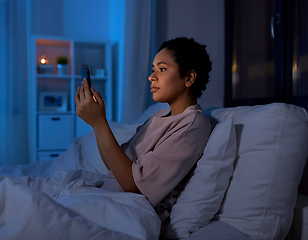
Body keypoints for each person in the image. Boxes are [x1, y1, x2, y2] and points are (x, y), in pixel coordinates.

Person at [74, 37, 212, 234]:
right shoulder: (158, 115)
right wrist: (97, 124)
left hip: (128, 210)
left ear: (189, 78)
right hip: (108, 197)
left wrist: (100, 123)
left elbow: (133, 185)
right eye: (153, 68)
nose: (151, 77)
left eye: (162, 69)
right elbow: (113, 164)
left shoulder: (192, 126)